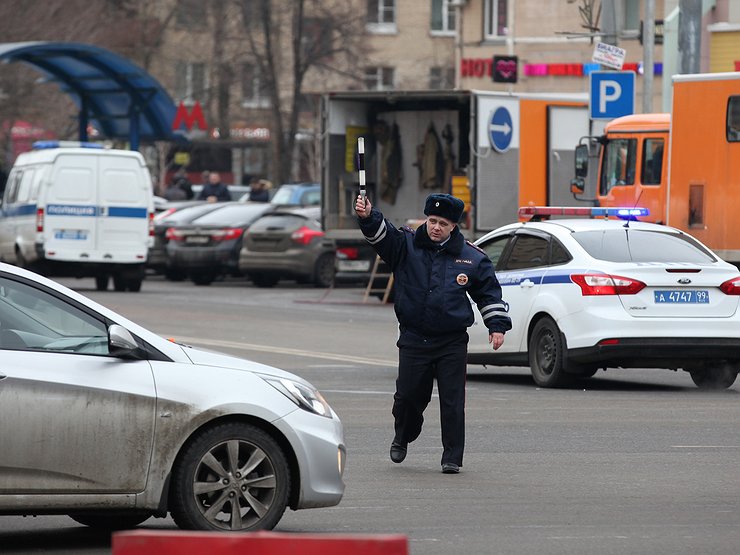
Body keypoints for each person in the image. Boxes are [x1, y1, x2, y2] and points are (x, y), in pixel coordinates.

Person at [355, 192, 511, 474]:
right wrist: (368, 216)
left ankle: (452, 456)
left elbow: (488, 292)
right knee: (408, 398)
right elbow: (382, 236)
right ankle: (403, 435)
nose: (436, 227)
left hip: (451, 341)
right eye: (432, 220)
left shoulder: (471, 257)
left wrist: (496, 326)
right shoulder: (406, 245)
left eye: (443, 223)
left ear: (454, 227)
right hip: (415, 338)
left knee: (453, 402)